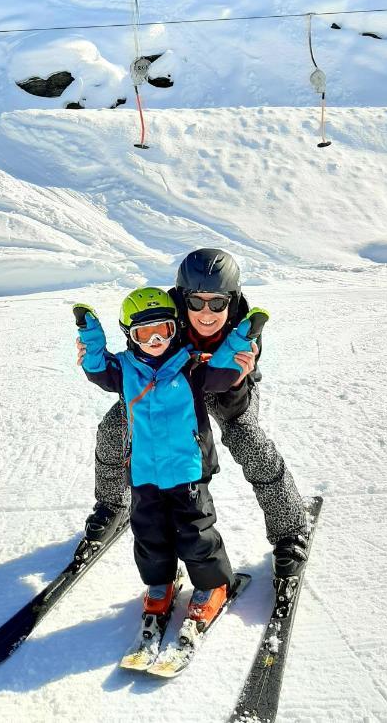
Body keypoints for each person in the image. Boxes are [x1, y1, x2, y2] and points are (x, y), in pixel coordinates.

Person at [76, 248, 309, 579]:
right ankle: (113, 504)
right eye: (196, 302)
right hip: (172, 388)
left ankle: (290, 531)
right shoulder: (167, 311)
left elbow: (235, 378)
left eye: (217, 303)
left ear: (232, 298)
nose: (206, 312)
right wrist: (93, 354)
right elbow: (139, 344)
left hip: (228, 388)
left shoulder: (245, 324)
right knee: (115, 428)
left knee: (249, 441)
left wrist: (238, 373)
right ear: (183, 298)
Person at [74, 287, 267, 623]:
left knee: (195, 531)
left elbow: (221, 372)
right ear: (130, 336)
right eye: (143, 334)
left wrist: (243, 338)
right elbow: (96, 368)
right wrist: (89, 336)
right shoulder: (125, 369)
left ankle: (214, 585)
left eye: (162, 331)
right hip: (144, 470)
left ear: (175, 328)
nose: (154, 341)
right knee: (148, 532)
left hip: (186, 467)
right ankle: (160, 583)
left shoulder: (190, 365)